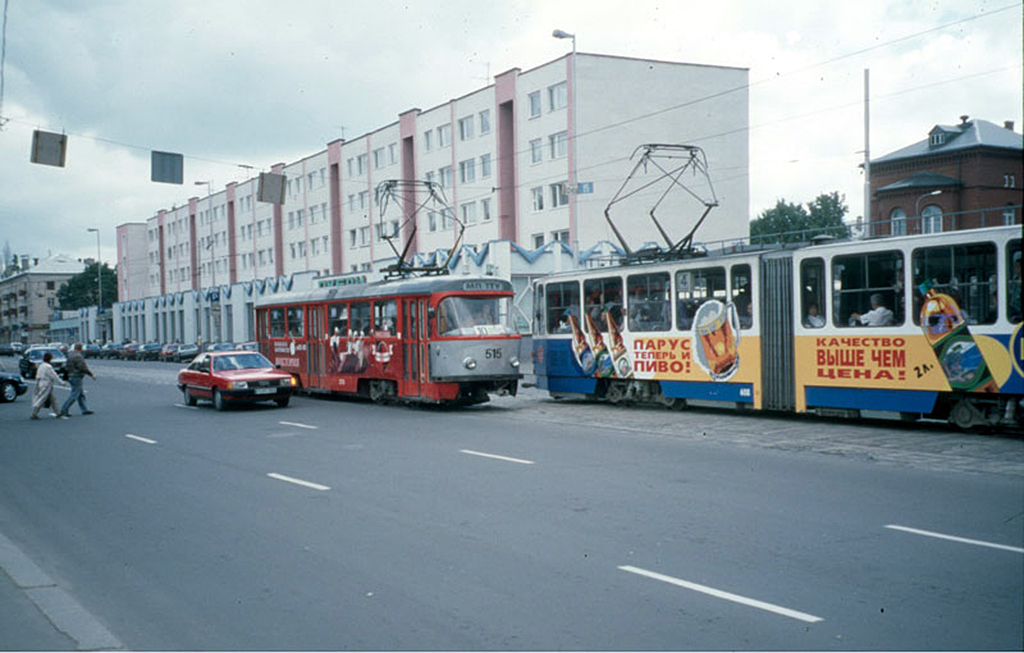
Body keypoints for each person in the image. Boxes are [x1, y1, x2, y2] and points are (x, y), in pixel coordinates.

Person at [60, 342, 97, 416]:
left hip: (71, 375)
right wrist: (91, 374)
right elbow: (82, 367)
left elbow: (66, 367)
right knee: (75, 394)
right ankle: (64, 409)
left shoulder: (70, 355)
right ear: (81, 348)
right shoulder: (78, 356)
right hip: (76, 376)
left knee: (80, 394)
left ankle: (84, 409)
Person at [30, 352, 66, 420]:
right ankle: (34, 414)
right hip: (46, 384)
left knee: (53, 399)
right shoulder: (48, 367)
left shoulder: (41, 365)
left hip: (41, 383)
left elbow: (37, 375)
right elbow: (54, 375)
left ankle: (58, 412)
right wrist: (61, 383)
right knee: (42, 399)